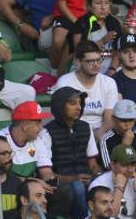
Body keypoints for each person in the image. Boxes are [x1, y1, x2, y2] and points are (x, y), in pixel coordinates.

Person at [42, 86, 104, 219]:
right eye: (72, 103)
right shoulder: (46, 132)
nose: (78, 107)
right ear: (59, 106)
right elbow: (47, 173)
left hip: (84, 178)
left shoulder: (85, 127)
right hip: (61, 183)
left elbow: (92, 163)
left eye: (80, 103)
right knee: (77, 186)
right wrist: (74, 179)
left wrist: (99, 175)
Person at [55, 41, 119, 138]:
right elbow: (63, 118)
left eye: (99, 60)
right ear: (78, 62)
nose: (96, 65)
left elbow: (109, 121)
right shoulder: (65, 82)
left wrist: (94, 139)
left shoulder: (109, 83)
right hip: (73, 133)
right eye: (90, 61)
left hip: (101, 133)